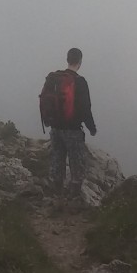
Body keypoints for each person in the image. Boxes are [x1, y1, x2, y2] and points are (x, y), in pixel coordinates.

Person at [40, 47, 97, 201]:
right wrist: (92, 128)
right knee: (76, 163)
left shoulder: (53, 78)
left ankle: (56, 195)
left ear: (67, 59)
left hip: (55, 128)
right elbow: (86, 108)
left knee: (57, 160)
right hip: (73, 130)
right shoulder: (80, 82)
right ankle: (73, 198)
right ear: (80, 62)